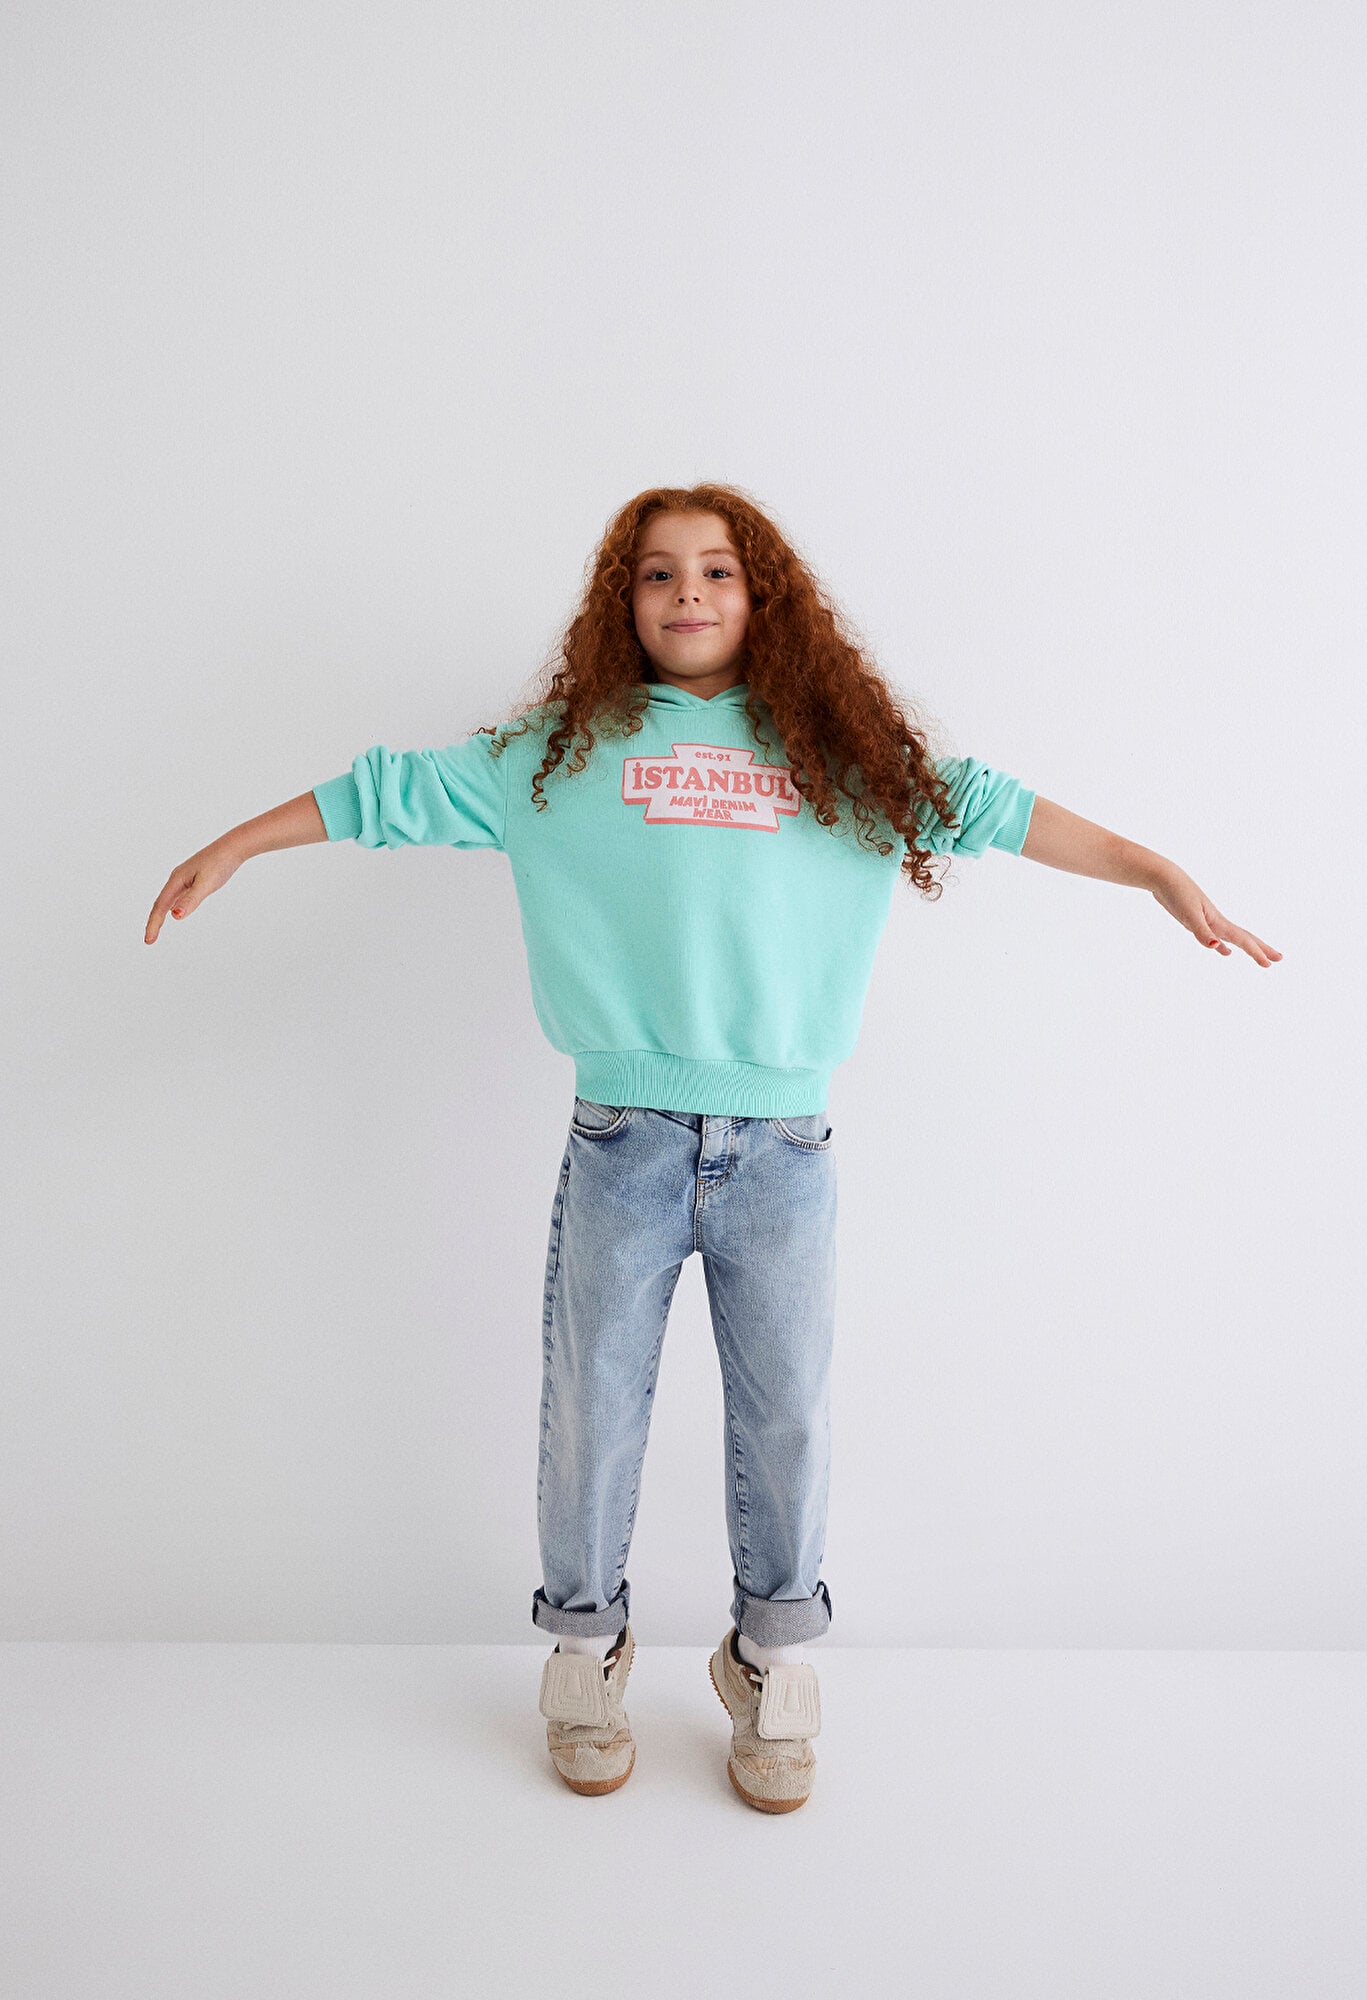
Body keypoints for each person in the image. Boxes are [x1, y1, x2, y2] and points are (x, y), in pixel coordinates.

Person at [144, 481, 1282, 1813]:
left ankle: (770, 1664)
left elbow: (997, 809)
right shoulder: (559, 757)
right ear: (622, 603)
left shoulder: (843, 753)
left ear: (762, 597)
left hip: (784, 1153)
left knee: (787, 1415)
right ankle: (583, 1651)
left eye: (717, 570)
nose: (687, 591)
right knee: (592, 1407)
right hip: (621, 1143)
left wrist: (1156, 873)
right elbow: (386, 793)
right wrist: (239, 844)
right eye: (657, 572)